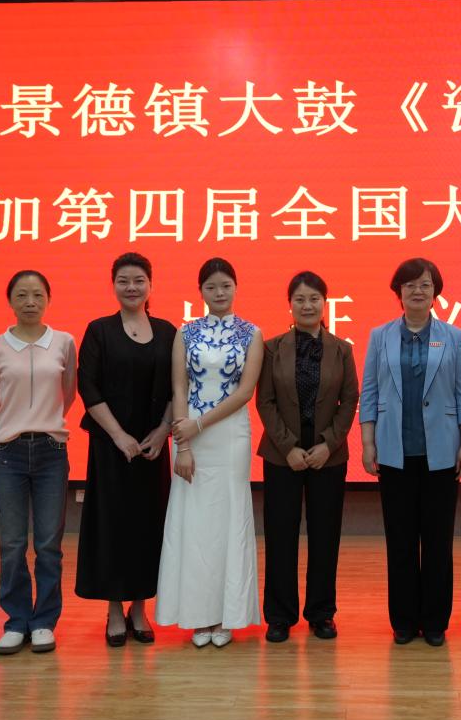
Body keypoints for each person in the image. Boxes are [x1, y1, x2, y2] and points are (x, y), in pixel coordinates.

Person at [359, 258, 461, 648]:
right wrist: (368, 442)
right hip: (394, 451)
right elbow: (370, 392)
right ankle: (404, 621)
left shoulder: (454, 337)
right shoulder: (380, 336)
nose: (417, 291)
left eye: (425, 284)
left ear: (435, 291)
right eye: (409, 285)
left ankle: (435, 621)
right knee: (401, 541)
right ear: (399, 292)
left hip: (441, 452)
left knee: (439, 541)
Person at [157, 258, 264, 647]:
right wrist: (183, 443)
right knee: (195, 525)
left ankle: (225, 616)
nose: (219, 293)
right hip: (190, 436)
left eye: (226, 286)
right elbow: (179, 387)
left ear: (236, 288)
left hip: (230, 436)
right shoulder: (186, 332)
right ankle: (198, 617)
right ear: (200, 291)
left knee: (228, 522)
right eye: (211, 287)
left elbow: (245, 392)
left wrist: (199, 424)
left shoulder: (251, 333)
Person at [74, 252, 176, 647]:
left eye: (138, 280)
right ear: (113, 285)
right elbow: (88, 386)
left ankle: (139, 607)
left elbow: (178, 387)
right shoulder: (99, 330)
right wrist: (118, 435)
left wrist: (162, 431)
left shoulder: (167, 332)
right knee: (112, 526)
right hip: (110, 448)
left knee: (149, 526)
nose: (131, 287)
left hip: (152, 449)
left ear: (151, 285)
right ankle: (114, 608)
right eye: (123, 280)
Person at [255, 271, 360, 643]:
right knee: (280, 536)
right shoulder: (271, 348)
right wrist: (289, 447)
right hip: (282, 457)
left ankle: (322, 613)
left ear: (325, 303)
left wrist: (328, 443)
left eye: (314, 298)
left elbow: (350, 400)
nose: (307, 305)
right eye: (300, 299)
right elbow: (265, 401)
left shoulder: (342, 349)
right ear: (290, 304)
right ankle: (279, 616)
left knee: (325, 536)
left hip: (327, 457)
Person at [0, 270, 77, 655]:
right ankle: (16, 620)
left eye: (37, 294)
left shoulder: (64, 342)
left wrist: (45, 423)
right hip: (7, 453)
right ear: (10, 301)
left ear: (48, 299)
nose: (30, 301)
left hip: (52, 452)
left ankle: (44, 622)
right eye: (22, 295)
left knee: (49, 544)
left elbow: (68, 394)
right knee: (12, 543)